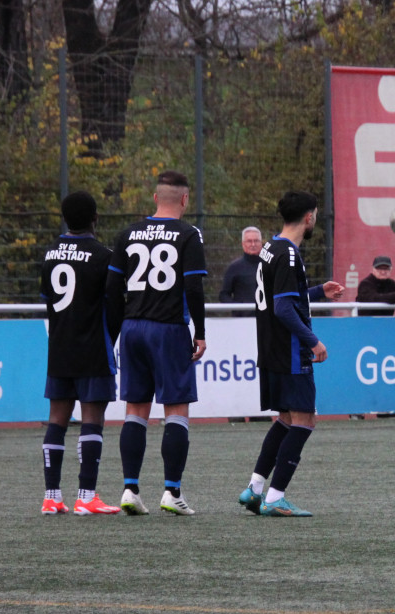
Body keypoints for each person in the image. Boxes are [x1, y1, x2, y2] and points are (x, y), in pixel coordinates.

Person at [236, 190, 345, 517]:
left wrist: (316, 292)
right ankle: (274, 498)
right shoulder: (289, 254)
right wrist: (312, 341)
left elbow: (280, 298)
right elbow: (284, 309)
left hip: (270, 349)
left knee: (285, 418)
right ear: (309, 217)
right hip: (290, 351)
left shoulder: (270, 247)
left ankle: (254, 489)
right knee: (305, 419)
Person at [106, 170, 207, 516]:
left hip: (132, 327)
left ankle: (130, 489)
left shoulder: (128, 233)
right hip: (168, 329)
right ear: (184, 199)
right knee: (176, 410)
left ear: (154, 198)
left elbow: (112, 291)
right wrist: (201, 332)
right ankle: (171, 491)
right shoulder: (189, 234)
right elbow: (194, 288)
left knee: (135, 410)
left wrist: (113, 334)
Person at [38, 191, 121, 516]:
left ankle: (51, 496)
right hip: (92, 349)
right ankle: (86, 496)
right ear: (95, 218)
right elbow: (115, 304)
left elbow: (49, 298)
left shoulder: (50, 255)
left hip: (59, 349)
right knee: (92, 421)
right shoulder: (103, 255)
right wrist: (109, 339)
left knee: (56, 420)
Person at [219, 226, 263, 316]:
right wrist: (238, 308)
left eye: (256, 241)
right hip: (242, 321)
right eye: (249, 241)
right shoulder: (234, 268)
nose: (253, 244)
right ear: (243, 244)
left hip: (267, 320)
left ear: (261, 243)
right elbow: (223, 295)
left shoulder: (270, 266)